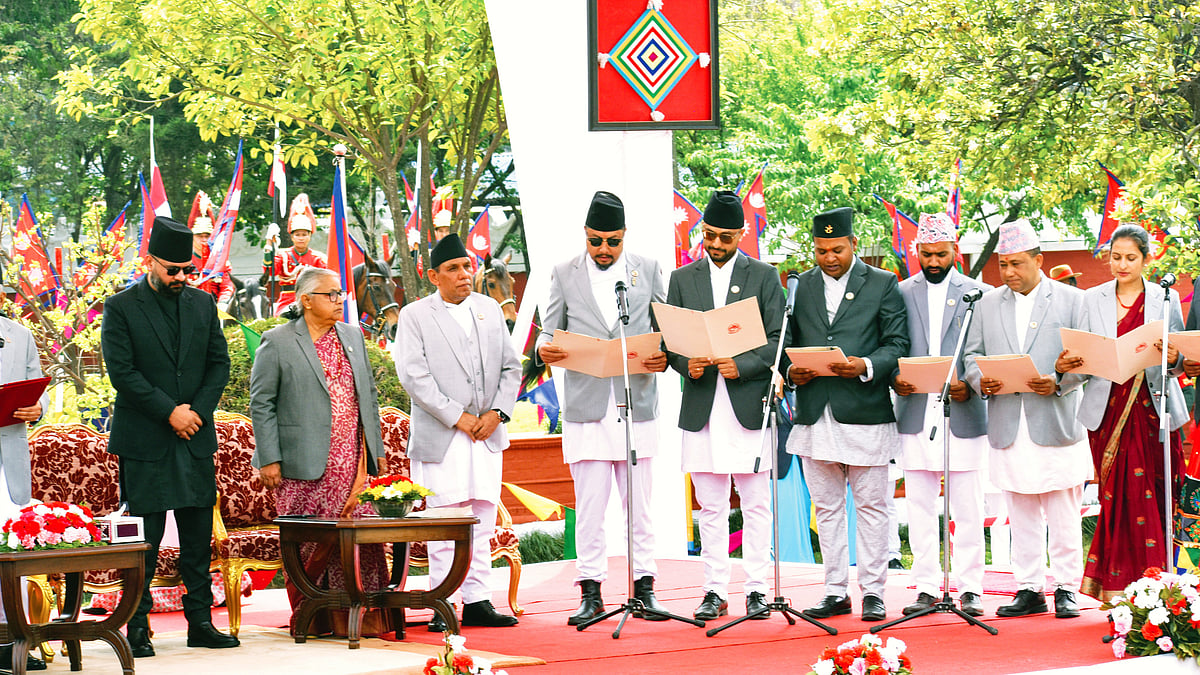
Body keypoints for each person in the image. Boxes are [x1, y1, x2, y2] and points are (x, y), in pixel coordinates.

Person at [101, 216, 239, 656]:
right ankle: (136, 627)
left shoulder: (202, 305)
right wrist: (170, 412)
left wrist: (196, 411)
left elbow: (219, 363)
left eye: (188, 270)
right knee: (146, 540)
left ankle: (200, 621)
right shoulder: (121, 307)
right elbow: (123, 373)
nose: (181, 278)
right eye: (172, 270)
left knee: (197, 537)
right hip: (146, 440)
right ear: (150, 262)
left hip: (194, 435)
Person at [536, 191, 669, 625]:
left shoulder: (647, 269)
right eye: (596, 241)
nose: (604, 250)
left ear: (624, 236)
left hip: (636, 401)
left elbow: (667, 330)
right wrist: (546, 350)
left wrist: (664, 354)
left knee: (641, 506)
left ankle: (644, 588)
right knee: (590, 505)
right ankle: (590, 591)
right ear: (585, 236)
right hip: (587, 405)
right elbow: (547, 334)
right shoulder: (563, 272)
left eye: (612, 241)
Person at [784, 206, 909, 623]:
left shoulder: (882, 283)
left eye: (836, 249)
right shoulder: (799, 286)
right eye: (821, 250)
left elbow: (897, 343)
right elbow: (785, 342)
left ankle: (873, 592)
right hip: (815, 411)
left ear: (853, 244)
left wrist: (865, 365)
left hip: (864, 410)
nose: (829, 257)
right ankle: (834, 591)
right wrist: (791, 371)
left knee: (873, 506)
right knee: (828, 508)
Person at [664, 190, 785, 622]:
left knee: (755, 504)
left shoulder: (765, 276)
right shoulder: (683, 278)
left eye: (725, 238)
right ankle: (714, 589)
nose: (716, 245)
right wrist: (686, 364)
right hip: (702, 404)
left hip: (748, 402)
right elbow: (670, 341)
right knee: (709, 504)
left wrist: (745, 364)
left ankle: (756, 589)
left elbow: (778, 340)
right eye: (710, 235)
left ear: (742, 234)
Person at [963, 219, 1090, 619]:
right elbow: (971, 356)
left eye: (1017, 264)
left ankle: (1067, 587)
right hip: (1008, 420)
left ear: (1039, 259)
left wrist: (1057, 381)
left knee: (1062, 508)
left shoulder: (1072, 301)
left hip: (1054, 419)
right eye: (1003, 265)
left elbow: (1086, 359)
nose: (1010, 273)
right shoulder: (985, 304)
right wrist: (983, 380)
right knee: (1020, 508)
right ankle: (1029, 587)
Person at [394, 233, 522, 630]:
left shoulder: (488, 309)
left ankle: (478, 601)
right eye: (453, 269)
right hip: (444, 435)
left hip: (486, 434)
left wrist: (497, 413)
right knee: (444, 520)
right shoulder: (415, 315)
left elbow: (510, 368)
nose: (465, 275)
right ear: (434, 276)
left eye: (467, 266)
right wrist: (460, 417)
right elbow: (414, 377)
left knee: (482, 519)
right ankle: (441, 602)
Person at [249, 266, 389, 624]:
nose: (339, 299)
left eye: (340, 293)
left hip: (352, 461)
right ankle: (315, 618)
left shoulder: (353, 336)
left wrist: (377, 452)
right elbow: (261, 402)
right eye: (330, 294)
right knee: (311, 542)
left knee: (360, 541)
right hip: (302, 463)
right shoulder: (279, 341)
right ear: (306, 300)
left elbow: (368, 396)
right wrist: (269, 457)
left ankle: (364, 619)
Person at [1056, 224, 1187, 601]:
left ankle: (1160, 587)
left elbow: (1176, 361)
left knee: (1156, 497)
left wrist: (1175, 358)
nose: (1122, 264)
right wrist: (1065, 366)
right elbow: (1081, 361)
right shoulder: (1091, 299)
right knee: (1117, 497)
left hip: (1153, 409)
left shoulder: (1165, 299)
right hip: (1107, 410)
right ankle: (1115, 589)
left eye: (1131, 258)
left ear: (1146, 259)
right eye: (1116, 257)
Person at [892, 213, 991, 617]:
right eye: (926, 254)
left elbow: (985, 349)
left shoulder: (978, 293)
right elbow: (892, 342)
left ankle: (971, 588)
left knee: (967, 505)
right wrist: (895, 377)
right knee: (918, 502)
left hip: (962, 407)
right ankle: (928, 585)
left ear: (956, 250)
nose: (933, 262)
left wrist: (973, 380)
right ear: (916, 251)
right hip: (916, 406)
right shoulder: (899, 292)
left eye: (941, 254)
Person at [0, 313, 50, 672]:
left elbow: (38, 389)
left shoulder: (19, 334)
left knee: (12, 553)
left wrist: (38, 408)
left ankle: (11, 642)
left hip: (11, 460)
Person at [264, 193, 328, 316]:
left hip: (312, 299)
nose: (301, 238)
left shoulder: (319, 258)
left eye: (304, 235)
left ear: (309, 236)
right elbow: (269, 270)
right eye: (297, 235)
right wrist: (268, 244)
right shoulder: (283, 256)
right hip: (287, 300)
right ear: (292, 237)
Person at [187, 211, 235, 312]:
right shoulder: (184, 260)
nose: (204, 239)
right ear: (192, 236)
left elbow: (227, 286)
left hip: (214, 307)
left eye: (207, 236)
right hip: (188, 306)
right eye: (199, 236)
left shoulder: (220, 262)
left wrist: (222, 303)